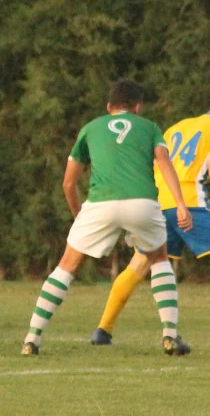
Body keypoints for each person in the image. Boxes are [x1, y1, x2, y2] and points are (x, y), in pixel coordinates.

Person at [22, 79, 193, 357]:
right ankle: (170, 336)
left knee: (67, 265)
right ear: (137, 107)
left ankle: (32, 338)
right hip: (143, 202)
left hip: (100, 203)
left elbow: (68, 183)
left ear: (109, 107)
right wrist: (181, 205)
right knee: (159, 259)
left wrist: (79, 215)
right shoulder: (149, 127)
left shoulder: (90, 128)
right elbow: (164, 162)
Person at [90, 85, 210, 350]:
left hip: (159, 204)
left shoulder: (177, 128)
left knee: (138, 266)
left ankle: (103, 330)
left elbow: (155, 164)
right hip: (190, 204)